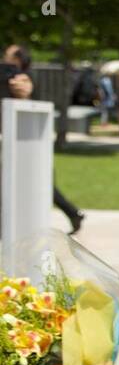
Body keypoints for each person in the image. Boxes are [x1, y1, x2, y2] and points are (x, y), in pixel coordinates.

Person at [2, 44, 84, 234]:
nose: (5, 60)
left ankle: (73, 213)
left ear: (18, 60)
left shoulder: (26, 78)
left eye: (8, 56)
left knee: (43, 184)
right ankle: (73, 214)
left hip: (30, 144)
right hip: (18, 145)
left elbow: (32, 101)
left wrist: (24, 93)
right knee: (41, 184)